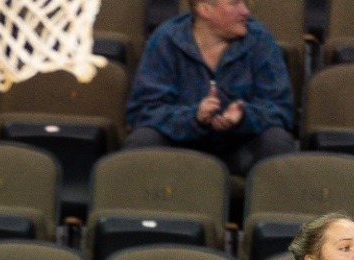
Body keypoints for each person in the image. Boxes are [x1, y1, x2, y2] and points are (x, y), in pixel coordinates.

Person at [124, 0, 297, 174]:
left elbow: (280, 108)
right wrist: (194, 117)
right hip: (180, 146)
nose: (245, 11)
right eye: (234, 4)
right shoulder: (166, 39)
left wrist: (245, 116)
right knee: (143, 140)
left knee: (277, 140)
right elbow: (144, 110)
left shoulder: (259, 39)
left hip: (240, 147)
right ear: (205, 9)